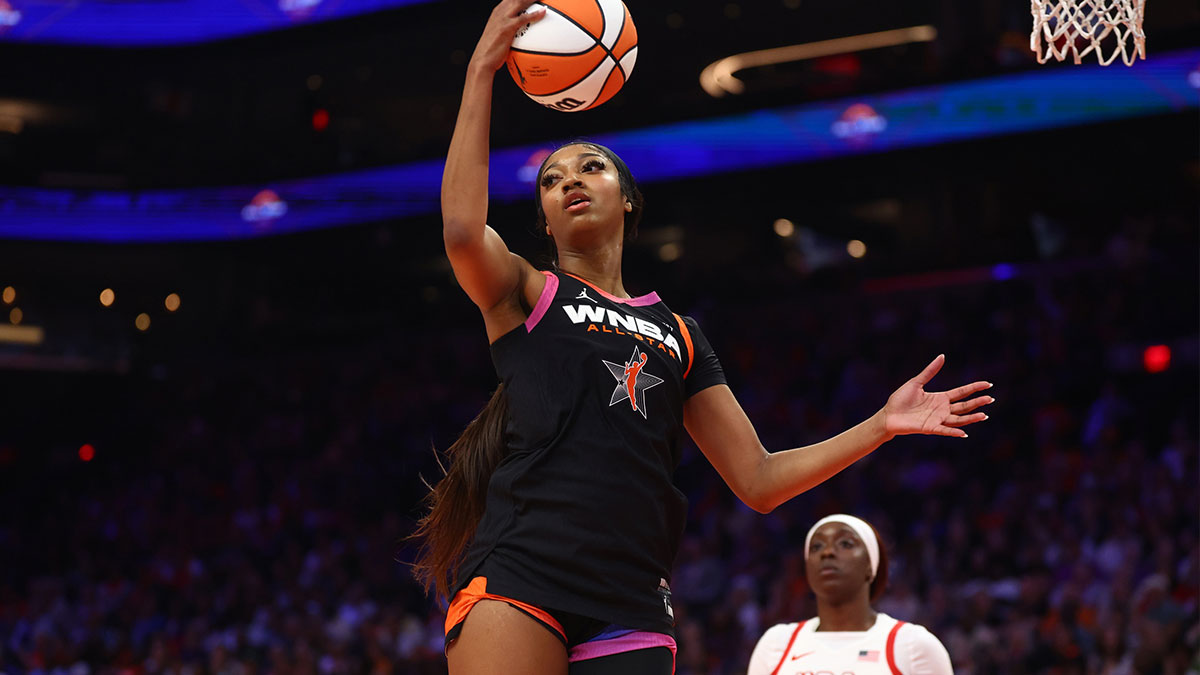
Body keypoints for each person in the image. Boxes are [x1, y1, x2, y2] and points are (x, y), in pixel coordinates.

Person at [411, 2, 994, 673]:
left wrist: (881, 425)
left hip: (628, 594)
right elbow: (461, 232)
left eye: (591, 168)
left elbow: (760, 478)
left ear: (627, 200)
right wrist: (483, 67)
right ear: (543, 221)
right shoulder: (529, 290)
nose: (570, 179)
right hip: (521, 572)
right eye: (551, 178)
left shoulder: (680, 333)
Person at [747, 515, 953, 675]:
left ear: (870, 566)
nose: (827, 553)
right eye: (816, 547)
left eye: (845, 544)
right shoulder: (776, 644)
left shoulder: (913, 645)